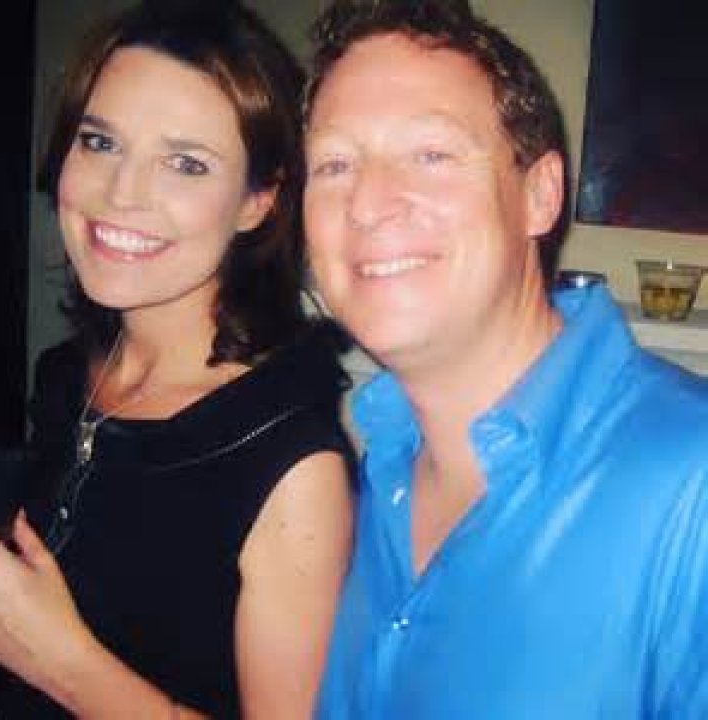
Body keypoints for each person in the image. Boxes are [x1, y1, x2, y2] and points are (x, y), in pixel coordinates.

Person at [302, 0, 708, 717]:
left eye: (431, 154)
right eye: (335, 163)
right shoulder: (375, 467)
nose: (366, 203)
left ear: (539, 195)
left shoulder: (693, 487)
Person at [0, 2, 353, 718]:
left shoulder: (292, 467)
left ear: (258, 201)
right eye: (100, 142)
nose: (121, 194)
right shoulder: (72, 373)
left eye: (185, 163)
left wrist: (60, 660)